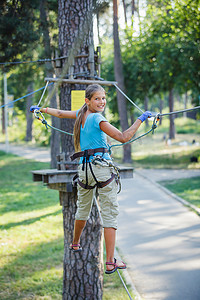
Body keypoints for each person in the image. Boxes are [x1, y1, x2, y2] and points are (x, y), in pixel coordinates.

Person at [30, 84, 151, 274]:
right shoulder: (97, 118)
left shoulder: (81, 113)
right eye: (97, 99)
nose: (101, 102)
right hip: (101, 169)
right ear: (88, 101)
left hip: (84, 170)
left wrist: (41, 110)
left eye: (103, 98)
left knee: (83, 208)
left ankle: (75, 242)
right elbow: (123, 137)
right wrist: (141, 119)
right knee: (110, 213)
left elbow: (60, 114)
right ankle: (110, 261)